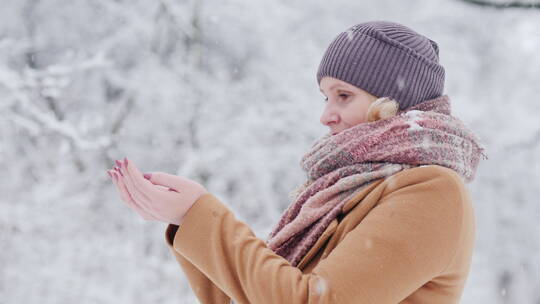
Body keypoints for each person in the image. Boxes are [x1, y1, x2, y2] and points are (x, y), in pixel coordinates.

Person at [108, 20, 487, 303]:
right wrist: (184, 219)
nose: (326, 116)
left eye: (343, 95)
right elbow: (254, 296)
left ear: (391, 102)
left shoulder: (433, 192)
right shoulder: (346, 189)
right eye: (325, 97)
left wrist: (200, 215)